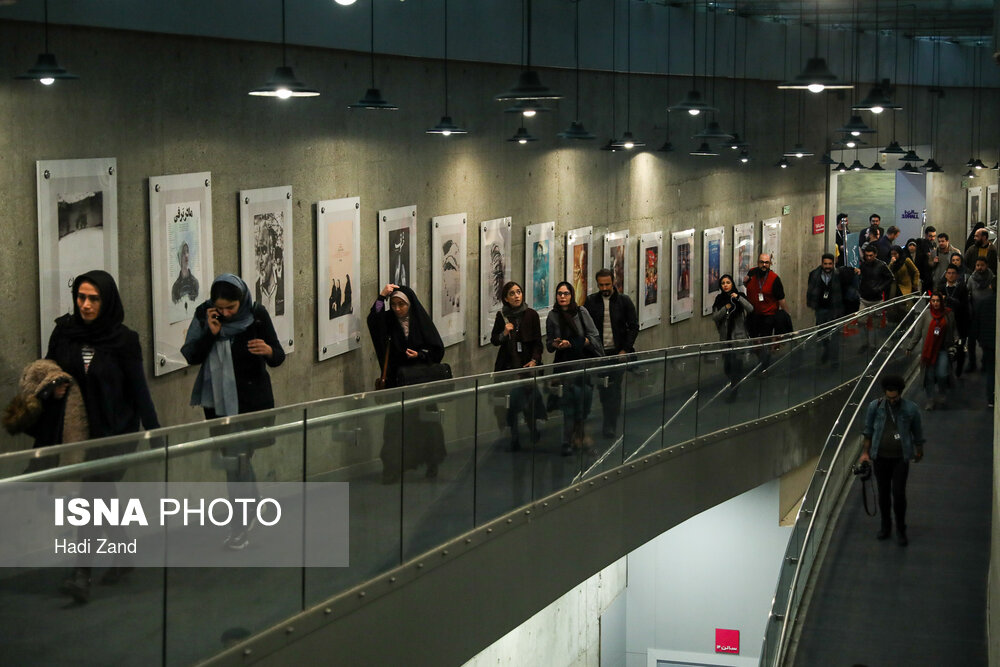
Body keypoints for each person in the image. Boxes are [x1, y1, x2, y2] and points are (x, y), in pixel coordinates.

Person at [45, 270, 160, 602]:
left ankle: (82, 572)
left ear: (106, 300)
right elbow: (49, 370)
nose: (85, 305)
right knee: (101, 494)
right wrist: (52, 388)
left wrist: (154, 430)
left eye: (93, 298)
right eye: (81, 297)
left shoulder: (123, 340)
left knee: (91, 496)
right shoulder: (64, 333)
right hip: (77, 433)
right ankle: (123, 557)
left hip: (115, 431)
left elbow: (139, 389)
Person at [182, 274, 286, 549]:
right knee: (235, 461)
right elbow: (192, 355)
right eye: (221, 307)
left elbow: (278, 355)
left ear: (242, 300)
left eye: (231, 307)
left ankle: (243, 518)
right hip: (218, 402)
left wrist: (267, 351)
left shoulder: (257, 315)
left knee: (239, 459)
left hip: (252, 400)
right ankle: (245, 516)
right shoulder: (205, 315)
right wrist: (211, 333)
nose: (226, 313)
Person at [368, 283, 446, 482]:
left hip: (420, 381)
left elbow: (437, 349)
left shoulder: (421, 322)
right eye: (393, 305)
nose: (397, 309)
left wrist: (420, 354)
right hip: (398, 380)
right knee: (395, 427)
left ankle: (432, 463)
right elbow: (373, 320)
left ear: (409, 304)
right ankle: (393, 468)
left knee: (427, 424)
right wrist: (381, 298)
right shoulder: (389, 321)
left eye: (401, 305)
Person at [858, 374, 925, 546]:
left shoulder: (911, 409)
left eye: (894, 397)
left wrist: (919, 450)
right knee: (883, 493)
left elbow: (917, 432)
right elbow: (868, 431)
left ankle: (901, 529)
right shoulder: (875, 407)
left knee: (899, 494)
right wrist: (865, 453)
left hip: (900, 458)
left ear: (900, 393)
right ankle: (885, 526)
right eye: (889, 397)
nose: (892, 400)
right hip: (880, 457)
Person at [546, 281, 603, 456]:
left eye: (566, 293)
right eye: (559, 294)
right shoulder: (552, 316)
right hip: (564, 366)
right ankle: (567, 441)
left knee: (583, 403)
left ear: (571, 295)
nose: (562, 297)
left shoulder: (581, 312)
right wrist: (555, 343)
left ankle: (581, 437)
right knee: (568, 406)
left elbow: (593, 337)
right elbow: (548, 344)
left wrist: (572, 343)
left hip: (583, 363)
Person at [584, 268, 638, 438]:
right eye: (601, 285)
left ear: (613, 282)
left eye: (607, 284)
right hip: (598, 354)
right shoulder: (591, 302)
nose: (605, 287)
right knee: (601, 389)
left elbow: (633, 326)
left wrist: (625, 349)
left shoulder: (624, 301)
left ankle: (610, 424)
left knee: (613, 391)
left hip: (616, 353)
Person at [491, 281, 543, 451]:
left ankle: (532, 427)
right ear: (506, 298)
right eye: (512, 293)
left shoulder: (531, 315)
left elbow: (537, 342)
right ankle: (514, 434)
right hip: (508, 366)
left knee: (529, 399)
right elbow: (495, 340)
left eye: (518, 292)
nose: (516, 296)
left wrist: (535, 360)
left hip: (527, 365)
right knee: (512, 402)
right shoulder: (502, 316)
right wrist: (505, 333)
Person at [905, 292, 957, 410]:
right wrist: (910, 346)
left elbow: (953, 330)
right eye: (933, 301)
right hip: (928, 352)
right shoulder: (926, 315)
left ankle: (942, 393)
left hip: (942, 350)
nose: (935, 303)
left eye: (937, 301)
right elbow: (917, 333)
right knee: (929, 377)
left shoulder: (948, 314)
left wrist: (955, 343)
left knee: (942, 374)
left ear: (941, 302)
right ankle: (930, 400)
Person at [806, 253, 856, 365]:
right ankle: (827, 350)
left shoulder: (839, 275)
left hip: (835, 309)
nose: (827, 266)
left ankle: (834, 359)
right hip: (821, 309)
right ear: (822, 263)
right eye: (825, 264)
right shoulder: (814, 274)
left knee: (835, 335)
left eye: (830, 264)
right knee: (822, 334)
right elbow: (811, 289)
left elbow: (847, 282)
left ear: (833, 264)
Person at [711, 274, 753, 398]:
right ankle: (735, 383)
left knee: (736, 365)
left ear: (732, 284)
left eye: (728, 282)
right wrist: (726, 307)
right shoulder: (719, 299)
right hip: (726, 339)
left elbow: (750, 308)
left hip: (738, 338)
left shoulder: (740, 296)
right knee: (727, 367)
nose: (725, 285)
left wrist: (738, 298)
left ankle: (734, 391)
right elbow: (715, 316)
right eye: (723, 283)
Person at [856, 243, 894, 351]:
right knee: (861, 322)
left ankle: (874, 346)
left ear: (875, 254)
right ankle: (865, 344)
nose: (868, 258)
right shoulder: (863, 265)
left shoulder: (881, 265)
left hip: (876, 299)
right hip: (864, 298)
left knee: (875, 325)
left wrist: (880, 288)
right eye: (867, 255)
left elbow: (890, 278)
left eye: (871, 255)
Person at [936, 265, 971, 376]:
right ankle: (948, 370)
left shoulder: (962, 288)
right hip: (945, 322)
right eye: (949, 273)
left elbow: (964, 305)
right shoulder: (941, 287)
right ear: (946, 274)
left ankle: (959, 368)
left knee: (959, 347)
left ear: (957, 275)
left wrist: (949, 299)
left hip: (959, 322)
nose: (951, 275)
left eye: (953, 273)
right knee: (944, 346)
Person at [744, 253, 787, 338]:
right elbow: (748, 286)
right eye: (762, 262)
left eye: (766, 262)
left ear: (770, 264)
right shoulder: (752, 272)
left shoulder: (775, 279)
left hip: (768, 316)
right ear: (758, 263)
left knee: (765, 341)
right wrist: (745, 282)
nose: (764, 265)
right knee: (753, 339)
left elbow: (781, 299)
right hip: (753, 315)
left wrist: (786, 315)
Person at [966, 257, 996, 375]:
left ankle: (985, 362)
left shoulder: (992, 279)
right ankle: (972, 363)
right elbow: (967, 293)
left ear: (987, 266)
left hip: (987, 316)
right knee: (971, 340)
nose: (980, 268)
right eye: (977, 265)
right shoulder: (971, 279)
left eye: (982, 265)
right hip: (974, 314)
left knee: (985, 341)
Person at [171, 241, 200, 306]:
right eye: (183, 253)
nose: (186, 255)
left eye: (187, 251)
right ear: (180, 258)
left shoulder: (194, 282)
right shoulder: (176, 286)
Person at [915, 226, 937, 291]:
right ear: (926, 235)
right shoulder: (920, 244)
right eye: (930, 236)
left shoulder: (934, 244)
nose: (932, 238)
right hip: (922, 274)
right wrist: (926, 255)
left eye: (934, 236)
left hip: (931, 274)